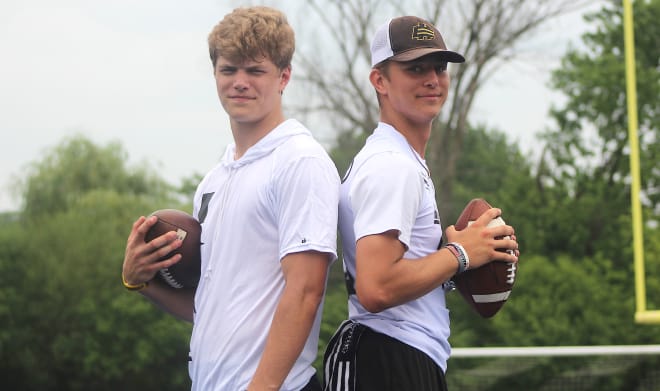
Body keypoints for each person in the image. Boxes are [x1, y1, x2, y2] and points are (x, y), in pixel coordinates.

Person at [121, 6, 340, 391]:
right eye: (229, 70)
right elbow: (206, 308)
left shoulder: (300, 161)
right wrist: (142, 282)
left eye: (255, 71)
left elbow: (306, 291)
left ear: (284, 76)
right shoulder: (214, 180)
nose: (240, 82)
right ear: (215, 74)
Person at [323, 16, 520, 391]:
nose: (432, 78)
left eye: (439, 67)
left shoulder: (400, 159)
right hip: (385, 355)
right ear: (379, 80)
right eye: (415, 68)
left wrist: (450, 262)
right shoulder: (391, 166)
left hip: (402, 353)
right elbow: (376, 288)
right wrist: (460, 254)